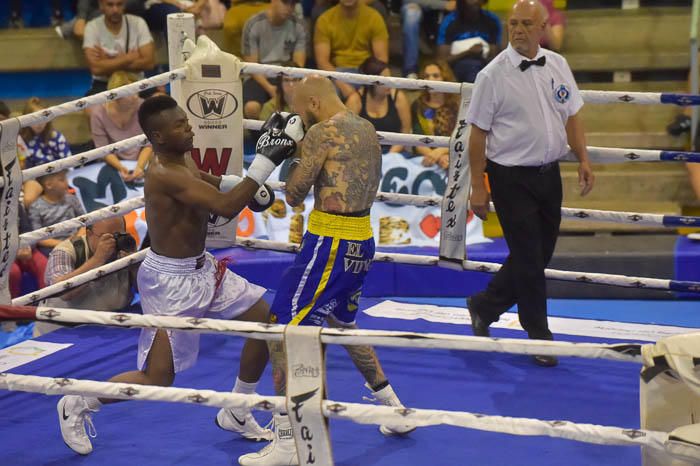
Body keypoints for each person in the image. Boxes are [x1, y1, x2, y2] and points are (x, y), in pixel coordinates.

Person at [56, 95, 305, 455]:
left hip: (203, 267)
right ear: (158, 137)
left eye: (187, 122)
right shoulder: (163, 173)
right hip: (171, 284)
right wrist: (264, 163)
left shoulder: (182, 161)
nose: (189, 129)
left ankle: (238, 407)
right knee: (158, 378)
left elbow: (212, 183)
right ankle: (79, 401)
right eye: (179, 126)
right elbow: (224, 206)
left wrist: (243, 182)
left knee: (266, 321)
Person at [239, 76, 413, 466]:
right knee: (341, 325)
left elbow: (295, 193)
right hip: (361, 242)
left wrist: (293, 149)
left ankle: (287, 438)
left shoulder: (321, 132)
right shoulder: (366, 128)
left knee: (281, 327)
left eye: (303, 110)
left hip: (328, 244)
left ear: (314, 104)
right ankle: (395, 409)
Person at [465, 0, 594, 367]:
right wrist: (478, 185)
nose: (518, 30)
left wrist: (583, 158)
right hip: (509, 177)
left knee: (539, 255)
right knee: (528, 258)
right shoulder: (492, 75)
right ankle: (539, 334)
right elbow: (477, 135)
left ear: (542, 28)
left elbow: (573, 114)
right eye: (513, 23)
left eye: (526, 24)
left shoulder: (557, 64)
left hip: (549, 174)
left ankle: (485, 304)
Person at [36, 216, 137, 336]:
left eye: (119, 235)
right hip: (62, 333)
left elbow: (146, 291)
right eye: (108, 236)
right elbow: (64, 293)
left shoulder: (124, 249)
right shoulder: (65, 251)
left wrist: (134, 265)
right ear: (89, 234)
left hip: (109, 328)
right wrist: (97, 260)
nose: (114, 241)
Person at [241, 0, 307, 119]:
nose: (289, 8)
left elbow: (298, 65)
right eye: (285, 3)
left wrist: (287, 85)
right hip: (258, 76)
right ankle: (263, 138)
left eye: (292, 4)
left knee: (302, 105)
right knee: (251, 108)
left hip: (286, 75)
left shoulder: (299, 26)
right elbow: (252, 66)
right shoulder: (253, 24)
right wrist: (271, 88)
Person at [314, 0, 389, 99]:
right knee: (328, 92)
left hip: (366, 71)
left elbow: (381, 59)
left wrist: (367, 87)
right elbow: (322, 62)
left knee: (389, 91)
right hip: (337, 73)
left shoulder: (374, 17)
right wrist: (343, 86)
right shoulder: (324, 20)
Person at [82, 0, 155, 97]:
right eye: (110, 5)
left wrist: (107, 62)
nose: (115, 9)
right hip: (104, 84)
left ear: (124, 5)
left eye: (119, 4)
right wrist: (127, 59)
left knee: (160, 99)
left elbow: (149, 63)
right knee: (92, 108)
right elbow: (96, 68)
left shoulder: (138, 23)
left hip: (135, 81)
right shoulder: (92, 27)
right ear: (101, 5)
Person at [90, 71, 153, 181]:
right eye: (130, 92)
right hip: (112, 164)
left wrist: (139, 167)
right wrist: (121, 168)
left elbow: (149, 145)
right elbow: (102, 150)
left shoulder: (144, 107)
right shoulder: (98, 113)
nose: (135, 97)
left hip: (143, 160)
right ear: (116, 96)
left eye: (136, 91)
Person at [346, 57, 412, 154]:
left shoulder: (398, 97)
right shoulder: (355, 100)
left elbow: (405, 131)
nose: (389, 83)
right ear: (371, 83)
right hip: (363, 154)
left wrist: (390, 155)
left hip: (394, 153)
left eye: (389, 78)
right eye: (384, 80)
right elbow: (348, 135)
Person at [436, 0, 501, 83]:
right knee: (470, 66)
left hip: (485, 65)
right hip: (458, 66)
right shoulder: (449, 21)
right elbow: (442, 61)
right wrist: (468, 52)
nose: (474, 2)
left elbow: (497, 56)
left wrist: (483, 53)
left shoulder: (492, 20)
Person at [410, 60, 458, 169]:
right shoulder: (417, 105)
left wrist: (441, 152)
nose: (431, 80)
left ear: (445, 78)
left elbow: (463, 137)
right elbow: (417, 139)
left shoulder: (457, 105)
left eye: (436, 76)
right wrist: (436, 157)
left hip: (454, 155)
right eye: (427, 76)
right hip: (426, 158)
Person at [28, 171, 87, 258]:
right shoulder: (36, 207)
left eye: (66, 178)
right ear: (49, 185)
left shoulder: (71, 199)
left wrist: (78, 238)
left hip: (77, 240)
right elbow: (38, 238)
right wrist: (64, 244)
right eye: (62, 180)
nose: (67, 182)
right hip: (53, 246)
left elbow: (85, 221)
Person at [401, 0, 456, 78]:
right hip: (420, 5)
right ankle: (410, 70)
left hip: (449, 9)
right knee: (411, 13)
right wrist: (444, 4)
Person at [19, 97, 72, 169]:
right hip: (33, 177)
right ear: (26, 119)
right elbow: (22, 169)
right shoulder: (20, 140)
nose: (39, 123)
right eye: (35, 119)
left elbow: (69, 165)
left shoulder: (57, 137)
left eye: (43, 118)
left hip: (57, 175)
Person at [9, 203, 47, 298]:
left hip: (21, 246)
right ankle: (9, 308)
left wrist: (28, 245)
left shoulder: (14, 203)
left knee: (43, 264)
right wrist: (12, 252)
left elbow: (27, 229)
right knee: (13, 272)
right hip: (4, 254)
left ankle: (48, 303)